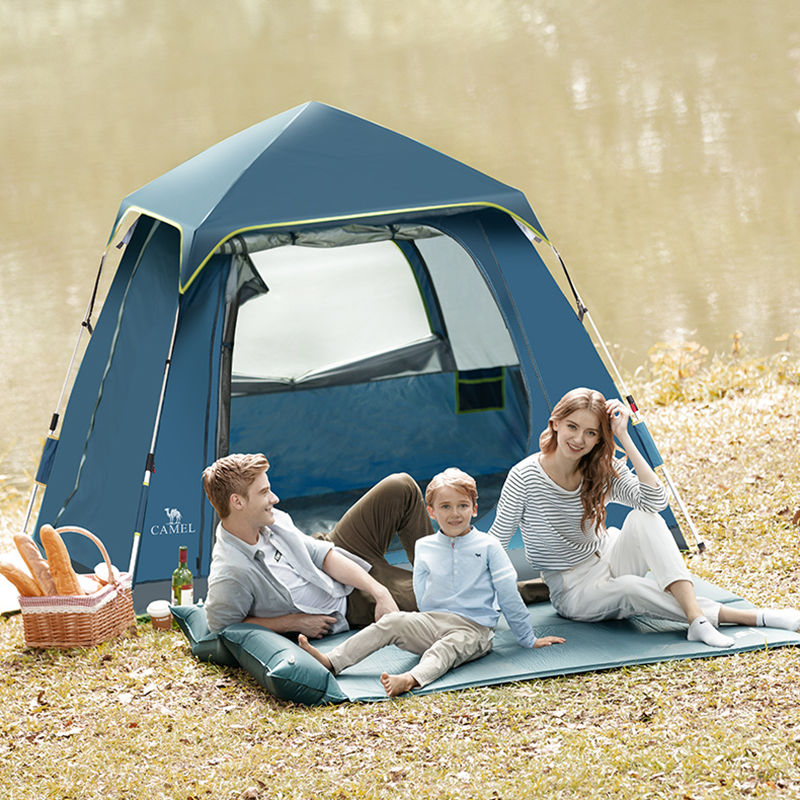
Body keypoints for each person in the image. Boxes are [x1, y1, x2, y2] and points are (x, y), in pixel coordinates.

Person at [489, 387, 800, 647]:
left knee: (645, 517)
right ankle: (757, 617)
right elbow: (497, 541)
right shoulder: (525, 476)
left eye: (591, 433)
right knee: (630, 589)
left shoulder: (599, 468)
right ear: (555, 423)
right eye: (572, 426)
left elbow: (654, 501)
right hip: (573, 589)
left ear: (599, 438)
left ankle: (697, 620)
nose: (578, 439)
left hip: (608, 554)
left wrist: (624, 437)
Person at [298, 468, 565, 697]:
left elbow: (507, 592)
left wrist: (527, 638)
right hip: (433, 621)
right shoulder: (424, 546)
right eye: (445, 507)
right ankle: (332, 661)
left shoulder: (488, 546)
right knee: (390, 622)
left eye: (462, 506)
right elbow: (421, 589)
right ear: (431, 512)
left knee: (446, 648)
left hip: (474, 629)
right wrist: (422, 622)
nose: (455, 514)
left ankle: (411, 679)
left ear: (474, 508)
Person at [202, 453, 434, 635]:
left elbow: (321, 554)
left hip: (336, 551)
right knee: (437, 596)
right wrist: (291, 623)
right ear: (237, 502)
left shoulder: (269, 521)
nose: (275, 498)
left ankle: (435, 569)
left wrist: (380, 591)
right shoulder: (231, 572)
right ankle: (438, 583)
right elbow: (221, 626)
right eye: (264, 492)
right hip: (347, 600)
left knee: (400, 486)